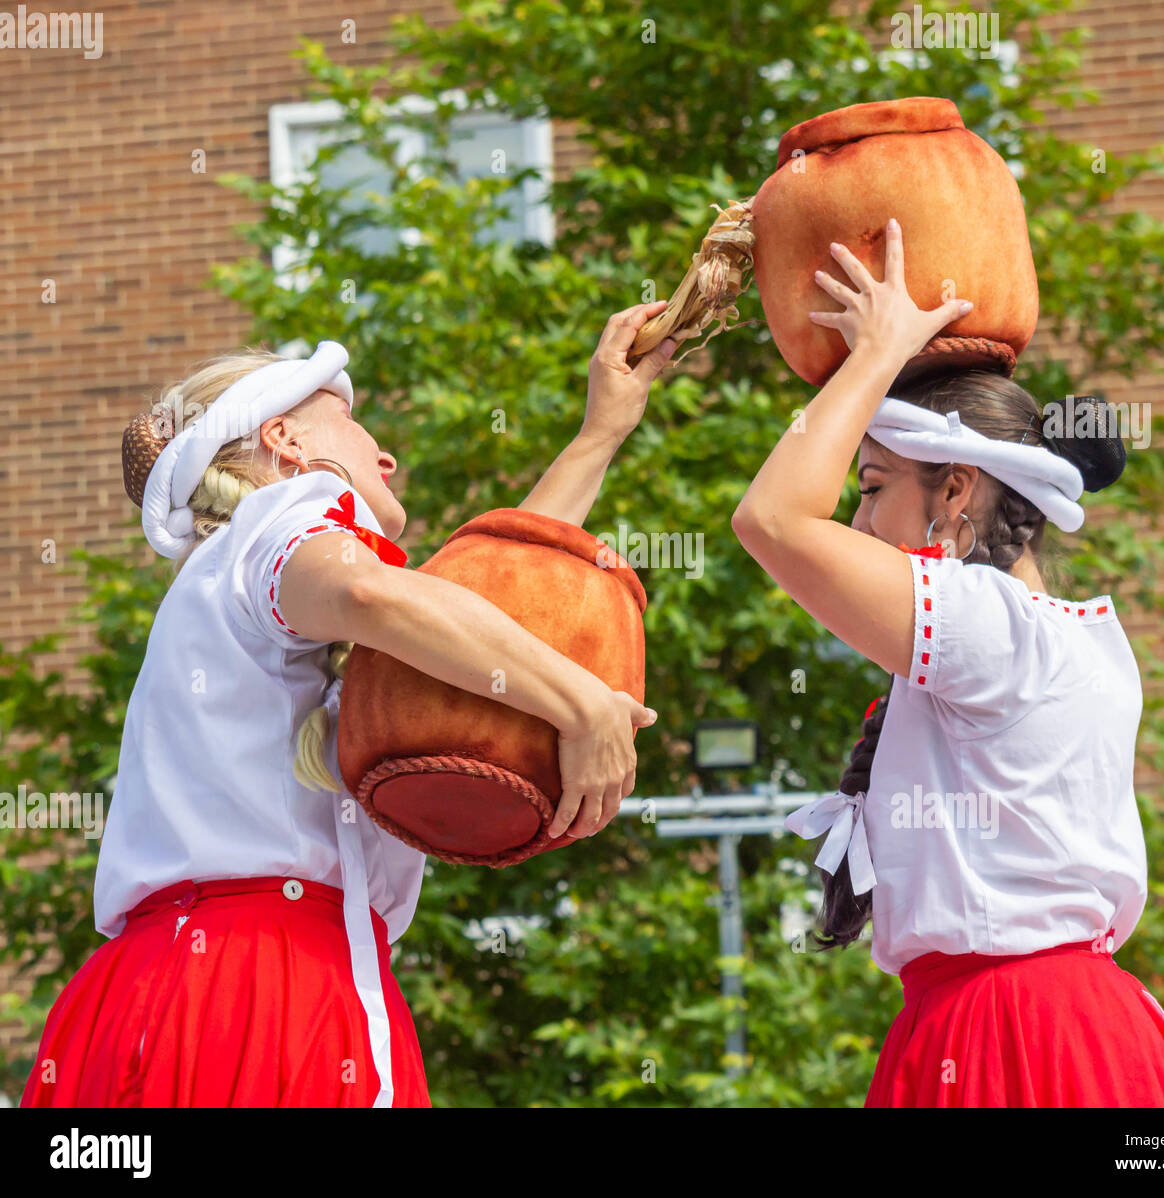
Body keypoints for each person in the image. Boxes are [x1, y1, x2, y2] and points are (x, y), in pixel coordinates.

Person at [21, 303, 676, 1108]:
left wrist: (598, 434)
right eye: (352, 421)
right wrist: (586, 705)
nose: (387, 454)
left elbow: (493, 602)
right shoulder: (279, 519)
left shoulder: (244, 573)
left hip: (216, 984)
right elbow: (377, 595)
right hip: (259, 988)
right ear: (285, 444)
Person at [733, 219, 1164, 1107]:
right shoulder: (1056, 634)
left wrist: (873, 356)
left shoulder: (994, 625)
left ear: (957, 489)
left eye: (872, 489)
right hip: (1061, 1027)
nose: (860, 523)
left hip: (1009, 1034)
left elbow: (771, 523)